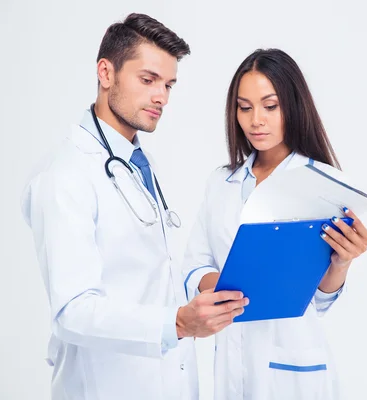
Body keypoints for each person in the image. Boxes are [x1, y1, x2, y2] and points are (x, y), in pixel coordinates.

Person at [20, 13, 248, 400]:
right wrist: (175, 323)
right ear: (106, 73)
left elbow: (151, 272)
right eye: (147, 80)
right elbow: (72, 312)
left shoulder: (135, 162)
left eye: (169, 85)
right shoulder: (64, 175)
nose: (161, 96)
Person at [182, 48, 367, 400]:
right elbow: (193, 266)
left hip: (294, 367)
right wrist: (229, 290)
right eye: (245, 107)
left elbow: (318, 300)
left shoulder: (322, 185)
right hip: (230, 361)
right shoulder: (220, 182)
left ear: (293, 106)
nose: (256, 120)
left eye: (270, 106)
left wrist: (342, 261)